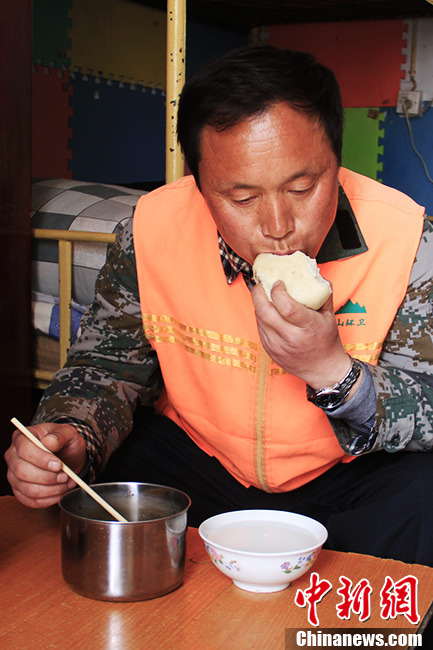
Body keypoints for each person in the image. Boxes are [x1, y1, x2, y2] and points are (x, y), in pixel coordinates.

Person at [5, 46, 433, 566]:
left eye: (303, 186)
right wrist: (72, 437)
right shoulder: (150, 230)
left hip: (348, 476)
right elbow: (104, 365)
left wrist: (332, 370)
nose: (278, 226)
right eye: (242, 198)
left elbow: (426, 407)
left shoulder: (409, 240)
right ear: (199, 183)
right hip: (197, 462)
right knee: (84, 496)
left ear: (337, 161)